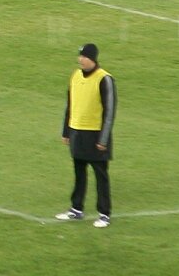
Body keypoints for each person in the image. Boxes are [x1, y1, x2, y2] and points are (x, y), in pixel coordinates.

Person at [56, 43, 117, 228]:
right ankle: (76, 209)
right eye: (80, 56)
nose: (80, 59)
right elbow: (70, 105)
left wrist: (103, 139)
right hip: (77, 132)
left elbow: (110, 111)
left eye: (84, 56)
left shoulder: (104, 79)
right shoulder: (75, 76)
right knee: (79, 172)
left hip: (96, 135)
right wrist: (66, 131)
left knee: (101, 175)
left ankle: (104, 214)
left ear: (93, 58)